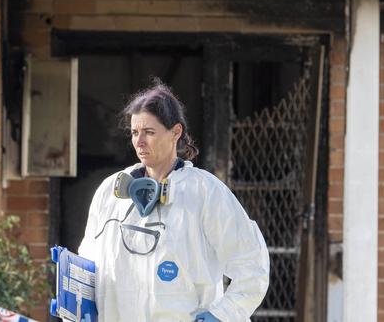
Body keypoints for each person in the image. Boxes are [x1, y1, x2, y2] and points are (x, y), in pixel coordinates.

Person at [78, 81, 269, 322]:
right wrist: (79, 308)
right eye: (135, 132)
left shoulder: (205, 192)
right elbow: (86, 264)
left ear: (175, 132)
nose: (139, 142)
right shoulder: (111, 193)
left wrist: (223, 315)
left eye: (149, 132)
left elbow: (252, 265)